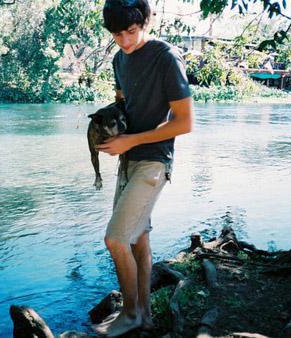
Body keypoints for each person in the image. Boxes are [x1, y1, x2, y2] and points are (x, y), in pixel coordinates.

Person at [92, 0, 193, 336]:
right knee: (138, 241)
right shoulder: (120, 60)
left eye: (131, 32)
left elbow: (185, 122)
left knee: (115, 239)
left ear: (147, 22)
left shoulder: (166, 57)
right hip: (128, 159)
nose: (124, 41)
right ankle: (145, 316)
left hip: (153, 160)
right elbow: (124, 105)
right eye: (117, 34)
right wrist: (107, 135)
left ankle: (131, 313)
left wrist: (130, 142)